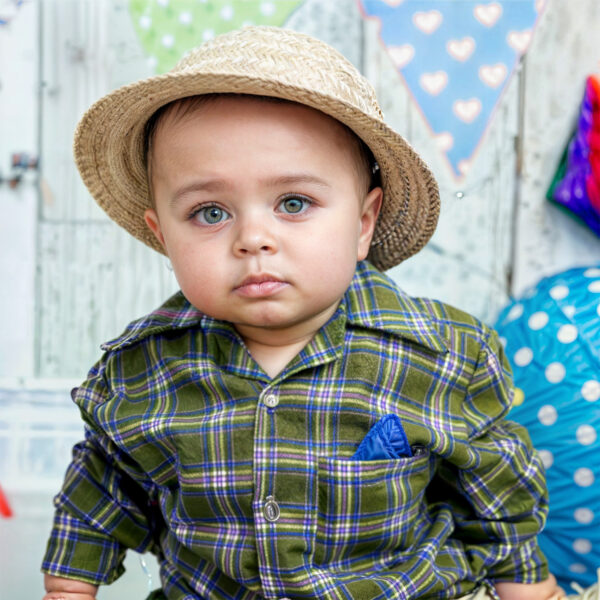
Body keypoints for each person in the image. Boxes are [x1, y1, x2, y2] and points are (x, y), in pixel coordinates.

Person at [40, 26, 575, 600]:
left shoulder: (443, 355)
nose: (252, 239)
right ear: (162, 234)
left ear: (364, 223)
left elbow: (492, 483)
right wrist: (69, 589)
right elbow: (103, 489)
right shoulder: (142, 372)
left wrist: (527, 585)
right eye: (210, 212)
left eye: (293, 204)